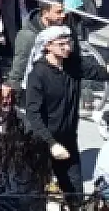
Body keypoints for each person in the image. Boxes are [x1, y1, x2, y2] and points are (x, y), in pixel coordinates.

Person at [21, 24, 107, 202]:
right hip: (44, 142)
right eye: (62, 44)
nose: (67, 47)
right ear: (48, 46)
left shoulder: (72, 65)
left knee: (75, 188)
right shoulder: (38, 74)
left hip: (68, 138)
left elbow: (100, 72)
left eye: (68, 43)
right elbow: (33, 114)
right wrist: (51, 143)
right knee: (38, 190)